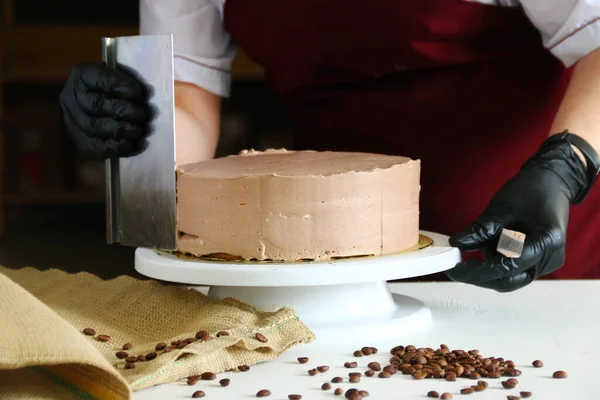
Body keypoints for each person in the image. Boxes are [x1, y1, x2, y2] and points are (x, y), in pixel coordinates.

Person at [59, 0, 600, 292]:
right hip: (325, 256)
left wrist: (564, 167)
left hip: (528, 220)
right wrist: (132, 122)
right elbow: (190, 102)